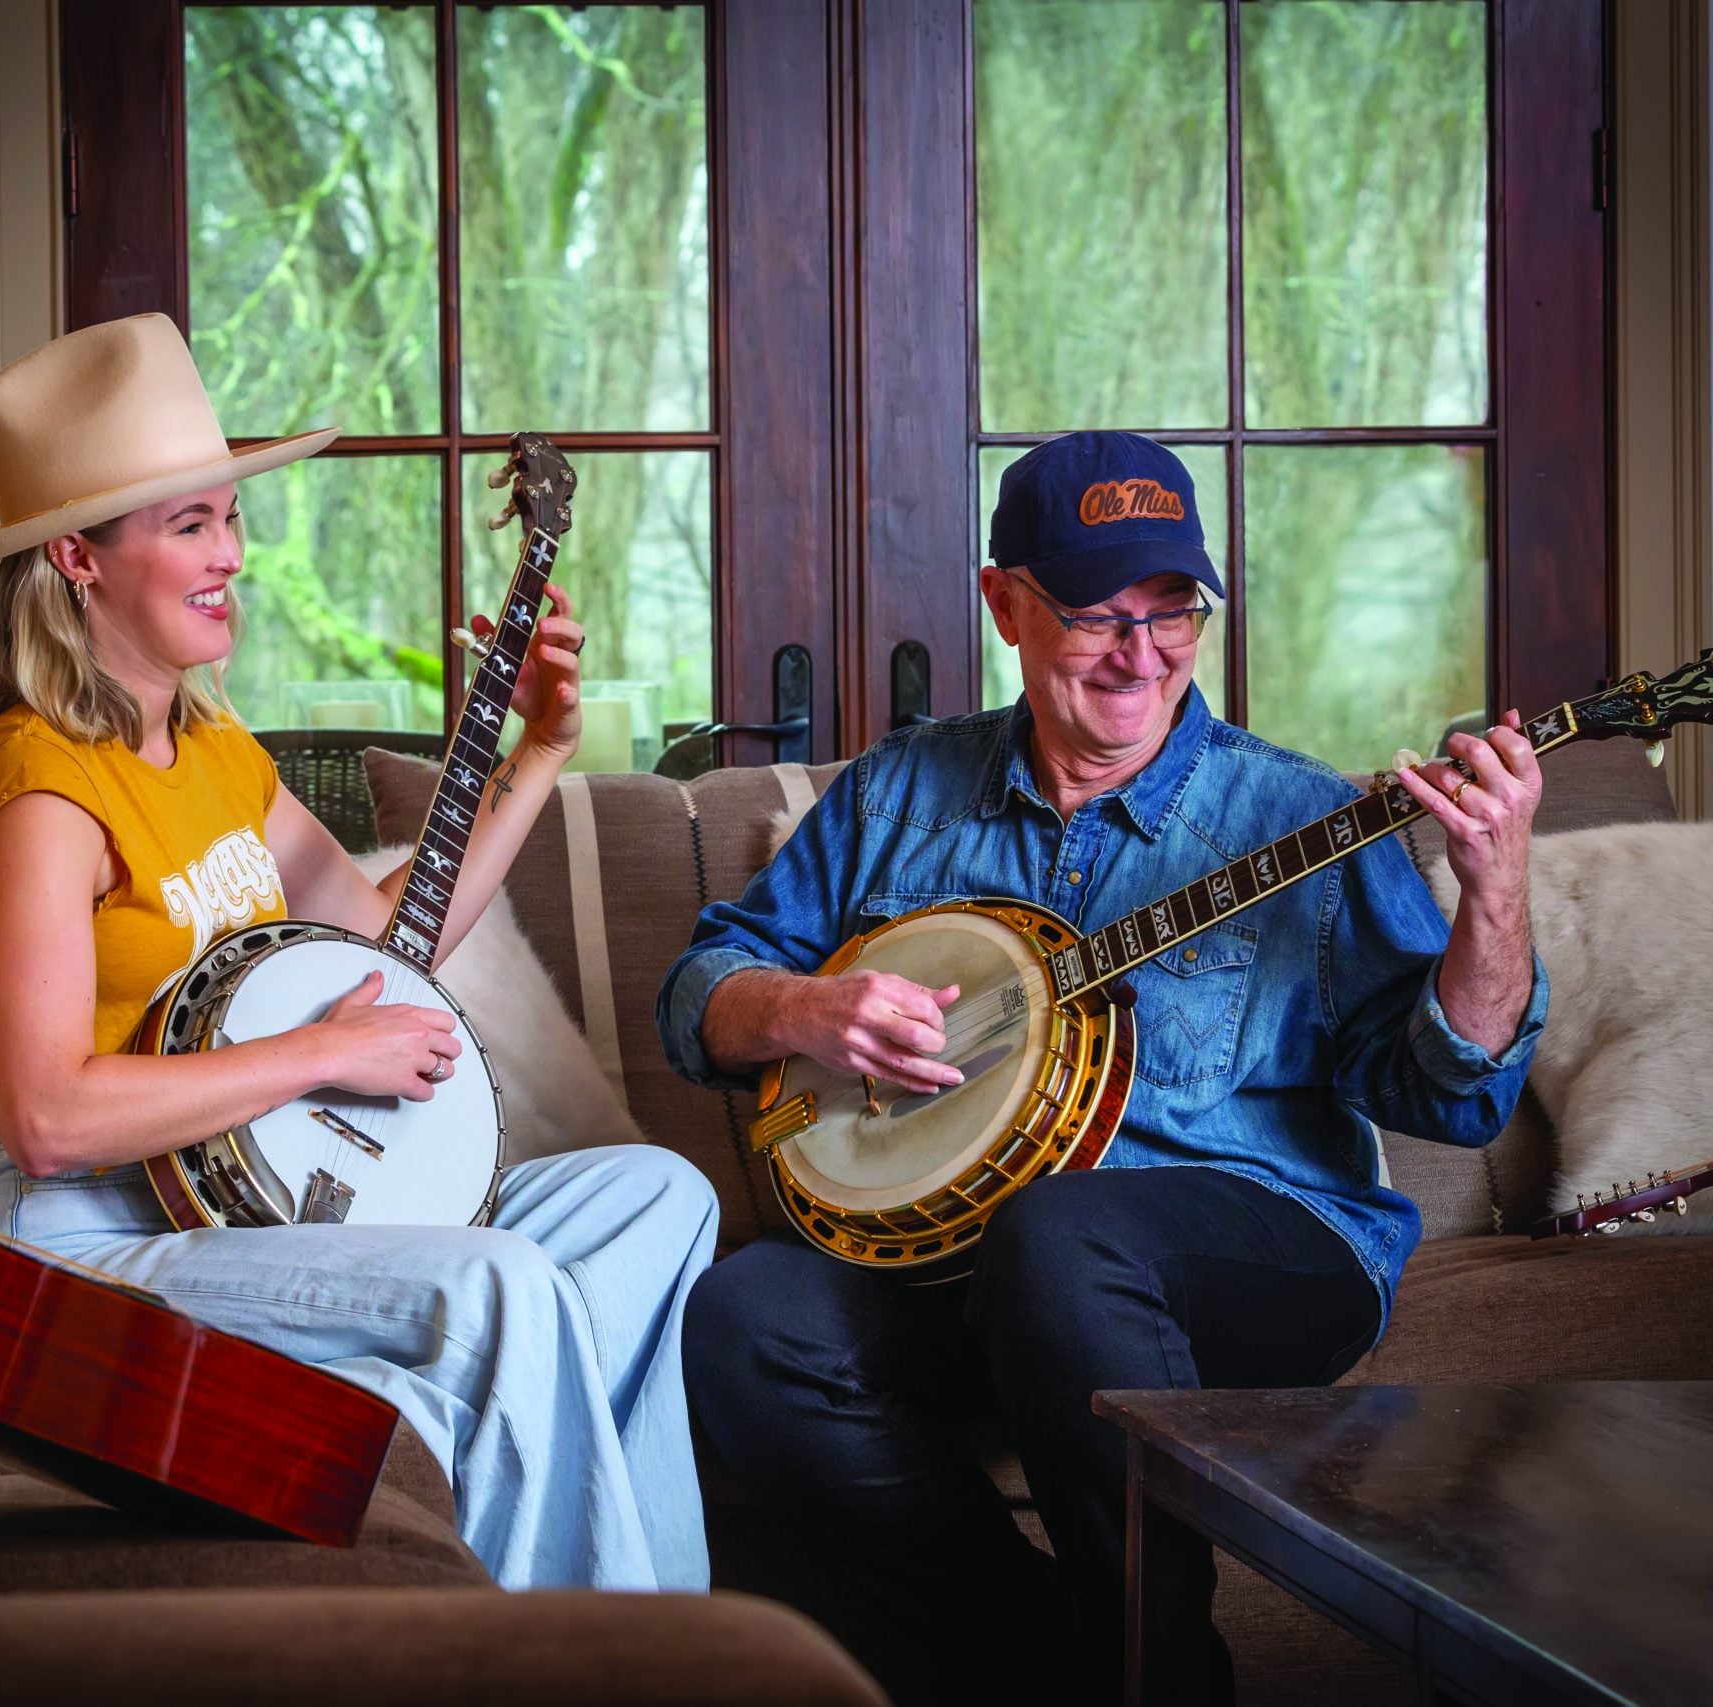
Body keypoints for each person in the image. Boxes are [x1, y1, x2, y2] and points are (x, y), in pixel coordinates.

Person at [660, 432, 1545, 1700]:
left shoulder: (1295, 818)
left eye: (1172, 609)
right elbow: (697, 993)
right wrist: (805, 1010)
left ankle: (1164, 1678)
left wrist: (1494, 901)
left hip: (1260, 1252)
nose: (1142, 653)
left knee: (1063, 1232)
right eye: (1094, 615)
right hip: (962, 1273)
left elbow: (1449, 1094)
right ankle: (1047, 1667)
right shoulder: (898, 796)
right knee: (749, 1319)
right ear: (1003, 604)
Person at [0, 314, 715, 1592]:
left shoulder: (217, 753)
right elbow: (49, 1113)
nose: (233, 554)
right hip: (77, 1233)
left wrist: (538, 756)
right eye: (189, 527)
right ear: (75, 556)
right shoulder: (35, 785)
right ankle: (611, 1655)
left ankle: (498, 1500)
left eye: (229, 516)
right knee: (499, 1287)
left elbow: (391, 945)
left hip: (257, 1192)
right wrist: (320, 1053)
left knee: (660, 1198)